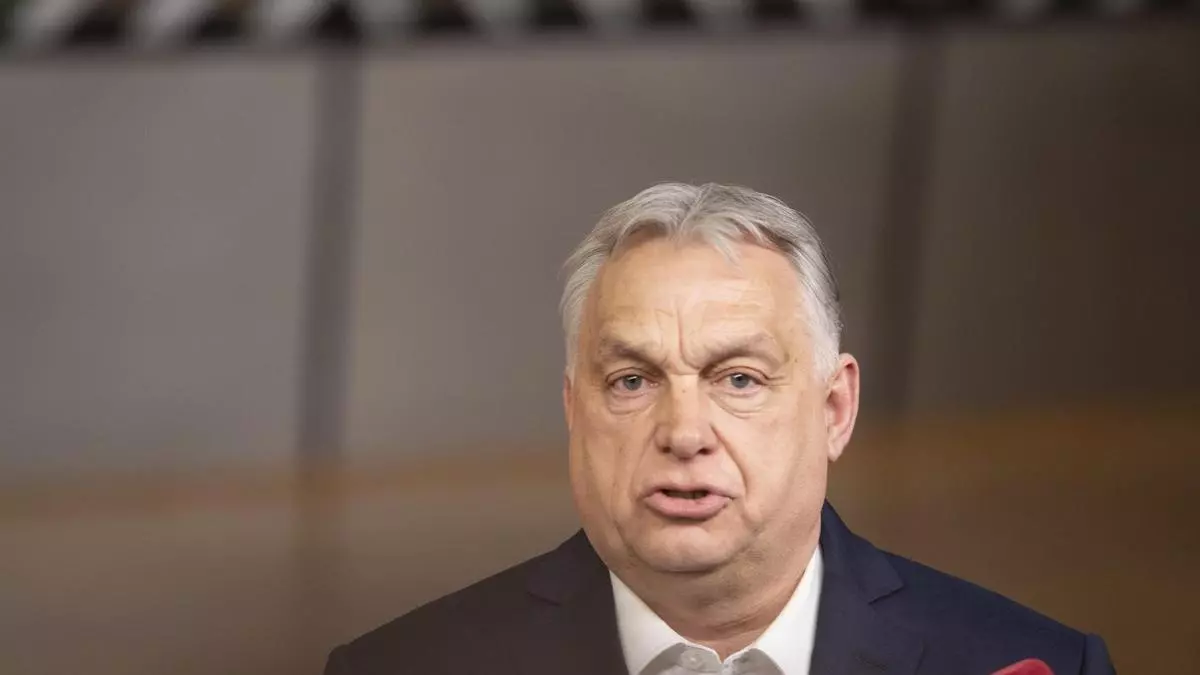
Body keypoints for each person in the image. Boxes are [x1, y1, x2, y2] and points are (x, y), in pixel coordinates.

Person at [323, 183, 1116, 675]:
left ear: (835, 409)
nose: (684, 432)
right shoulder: (400, 666)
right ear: (573, 410)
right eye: (632, 381)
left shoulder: (1023, 663)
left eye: (739, 379)